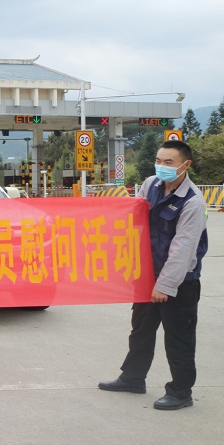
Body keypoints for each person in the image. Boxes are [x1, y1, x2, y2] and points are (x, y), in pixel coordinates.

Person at [99, 140, 208, 410]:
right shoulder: (151, 185)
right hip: (147, 275)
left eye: (168, 162)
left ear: (185, 165)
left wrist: (165, 286)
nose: (161, 166)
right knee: (141, 330)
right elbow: (135, 219)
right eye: (158, 161)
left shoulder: (192, 202)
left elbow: (183, 250)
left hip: (179, 282)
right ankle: (133, 378)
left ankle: (180, 391)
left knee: (178, 339)